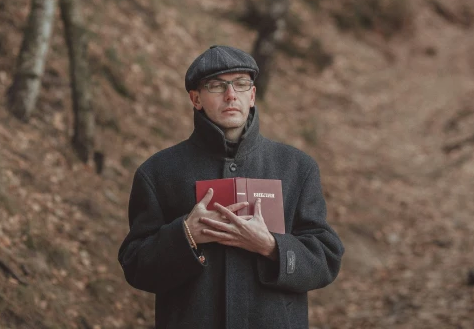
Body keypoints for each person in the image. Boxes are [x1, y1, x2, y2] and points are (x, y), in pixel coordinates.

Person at [118, 45, 344, 329]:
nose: (230, 95)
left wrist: (272, 246)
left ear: (252, 95)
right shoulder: (158, 172)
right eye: (216, 86)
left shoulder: (297, 168)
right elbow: (136, 266)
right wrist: (185, 234)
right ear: (195, 98)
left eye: (240, 84)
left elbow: (327, 258)